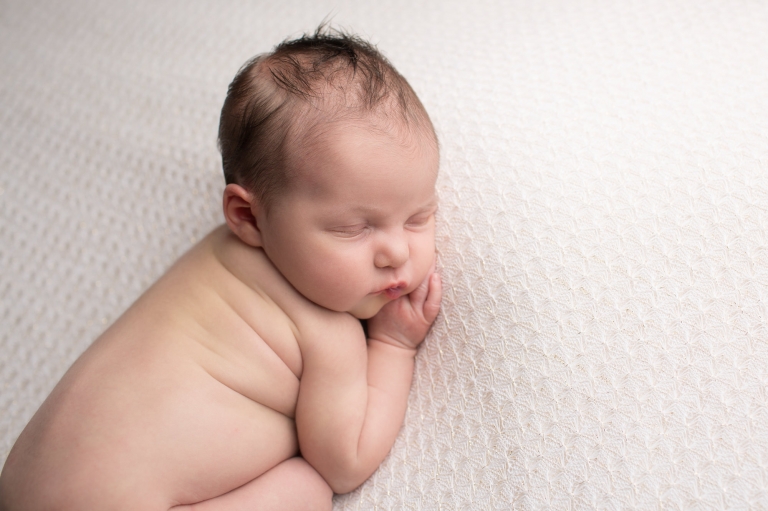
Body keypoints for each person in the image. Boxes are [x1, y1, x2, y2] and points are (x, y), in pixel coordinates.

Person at [0, 26, 441, 511]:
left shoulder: (214, 258)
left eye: (418, 217)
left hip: (21, 482)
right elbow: (346, 462)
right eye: (353, 229)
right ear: (248, 216)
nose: (397, 253)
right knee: (309, 486)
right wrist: (393, 345)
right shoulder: (326, 332)